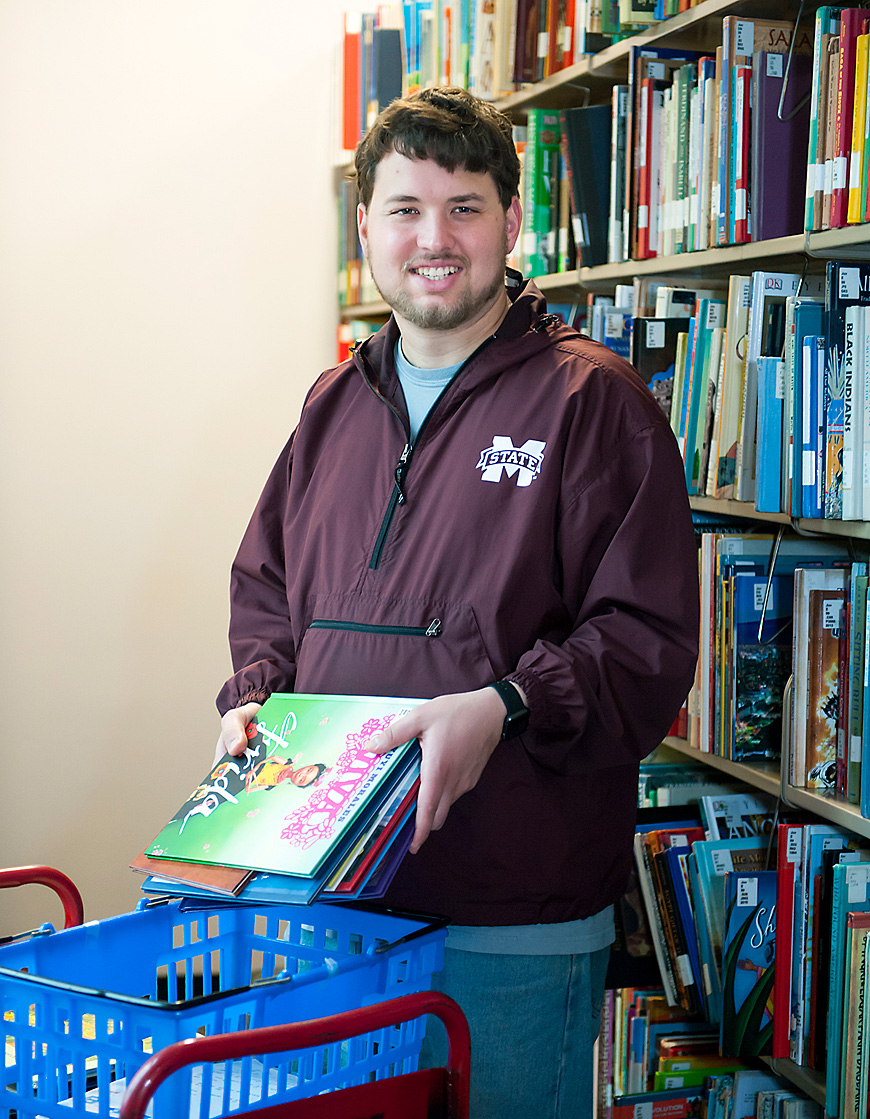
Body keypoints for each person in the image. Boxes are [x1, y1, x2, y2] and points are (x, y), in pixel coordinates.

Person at [213, 86, 699, 1117]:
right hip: (334, 901)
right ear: (366, 230)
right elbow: (267, 585)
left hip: (508, 917)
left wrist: (508, 706)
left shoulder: (594, 403)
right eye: (405, 210)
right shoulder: (334, 403)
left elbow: (646, 646)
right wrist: (249, 697)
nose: (434, 239)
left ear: (512, 221)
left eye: (465, 207)